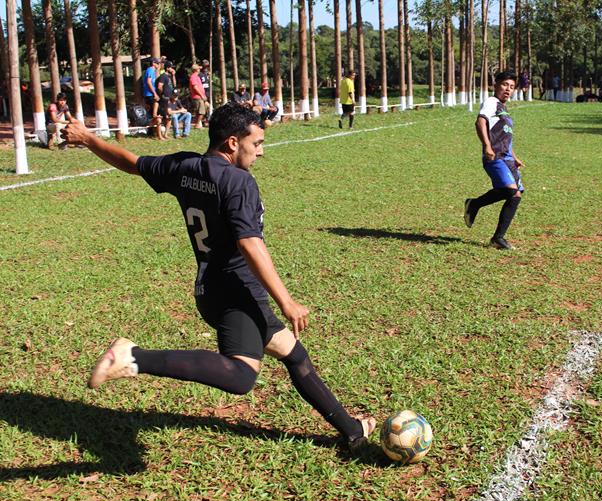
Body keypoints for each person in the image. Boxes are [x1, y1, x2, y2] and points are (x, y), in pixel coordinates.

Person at [61, 103, 376, 454]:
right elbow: (250, 244)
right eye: (255, 143)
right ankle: (134, 357)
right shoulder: (238, 182)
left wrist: (89, 138)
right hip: (235, 292)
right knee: (241, 377)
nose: (260, 151)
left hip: (210, 288)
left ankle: (351, 431)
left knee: (295, 355)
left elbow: (131, 162)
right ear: (231, 143)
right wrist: (287, 300)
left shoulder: (184, 166)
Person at [463, 71, 525, 250]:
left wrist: (515, 157)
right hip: (495, 156)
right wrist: (487, 146)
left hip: (507, 158)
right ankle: (473, 204)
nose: (508, 89)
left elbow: (505, 136)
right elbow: (480, 122)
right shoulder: (491, 102)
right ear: (495, 84)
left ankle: (498, 238)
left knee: (516, 195)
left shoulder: (504, 109)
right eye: (505, 84)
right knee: (509, 190)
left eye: (512, 87)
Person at [155, 61, 177, 140]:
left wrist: (173, 75)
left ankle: (165, 134)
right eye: (171, 67)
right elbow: (159, 86)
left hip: (169, 98)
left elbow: (174, 84)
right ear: (167, 68)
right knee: (160, 117)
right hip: (164, 99)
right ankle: (160, 135)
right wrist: (162, 94)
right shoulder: (163, 76)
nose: (172, 69)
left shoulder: (170, 76)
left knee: (169, 117)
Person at [189, 64, 208, 129]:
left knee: (203, 110)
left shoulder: (197, 77)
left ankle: (197, 124)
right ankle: (197, 124)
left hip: (200, 97)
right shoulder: (193, 77)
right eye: (199, 69)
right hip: (197, 97)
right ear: (196, 70)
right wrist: (201, 95)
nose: (200, 70)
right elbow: (195, 87)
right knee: (201, 112)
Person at [199, 60, 212, 124]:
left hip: (208, 92)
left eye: (207, 67)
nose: (206, 68)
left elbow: (208, 82)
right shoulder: (199, 74)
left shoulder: (207, 73)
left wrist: (209, 77)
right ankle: (202, 120)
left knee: (208, 106)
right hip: (202, 92)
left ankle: (206, 119)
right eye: (205, 67)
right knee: (205, 106)